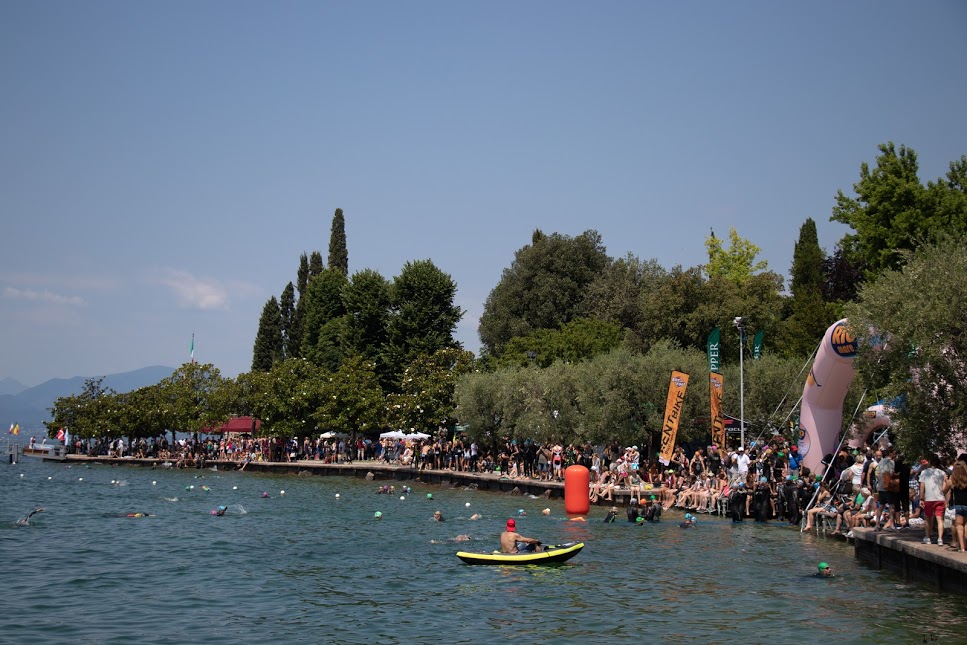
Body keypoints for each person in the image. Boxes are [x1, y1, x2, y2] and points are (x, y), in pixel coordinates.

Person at [919, 454, 948, 546]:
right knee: (940, 519)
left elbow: (922, 486)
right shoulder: (942, 473)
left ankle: (928, 538)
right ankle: (940, 539)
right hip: (940, 498)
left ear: (930, 462)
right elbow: (944, 488)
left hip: (929, 498)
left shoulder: (924, 472)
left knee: (927, 518)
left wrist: (921, 498)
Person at [942, 460, 967, 553]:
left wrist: (945, 481)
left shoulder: (952, 480)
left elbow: (944, 491)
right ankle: (965, 544)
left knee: (959, 526)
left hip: (957, 505)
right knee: (966, 525)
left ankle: (962, 547)